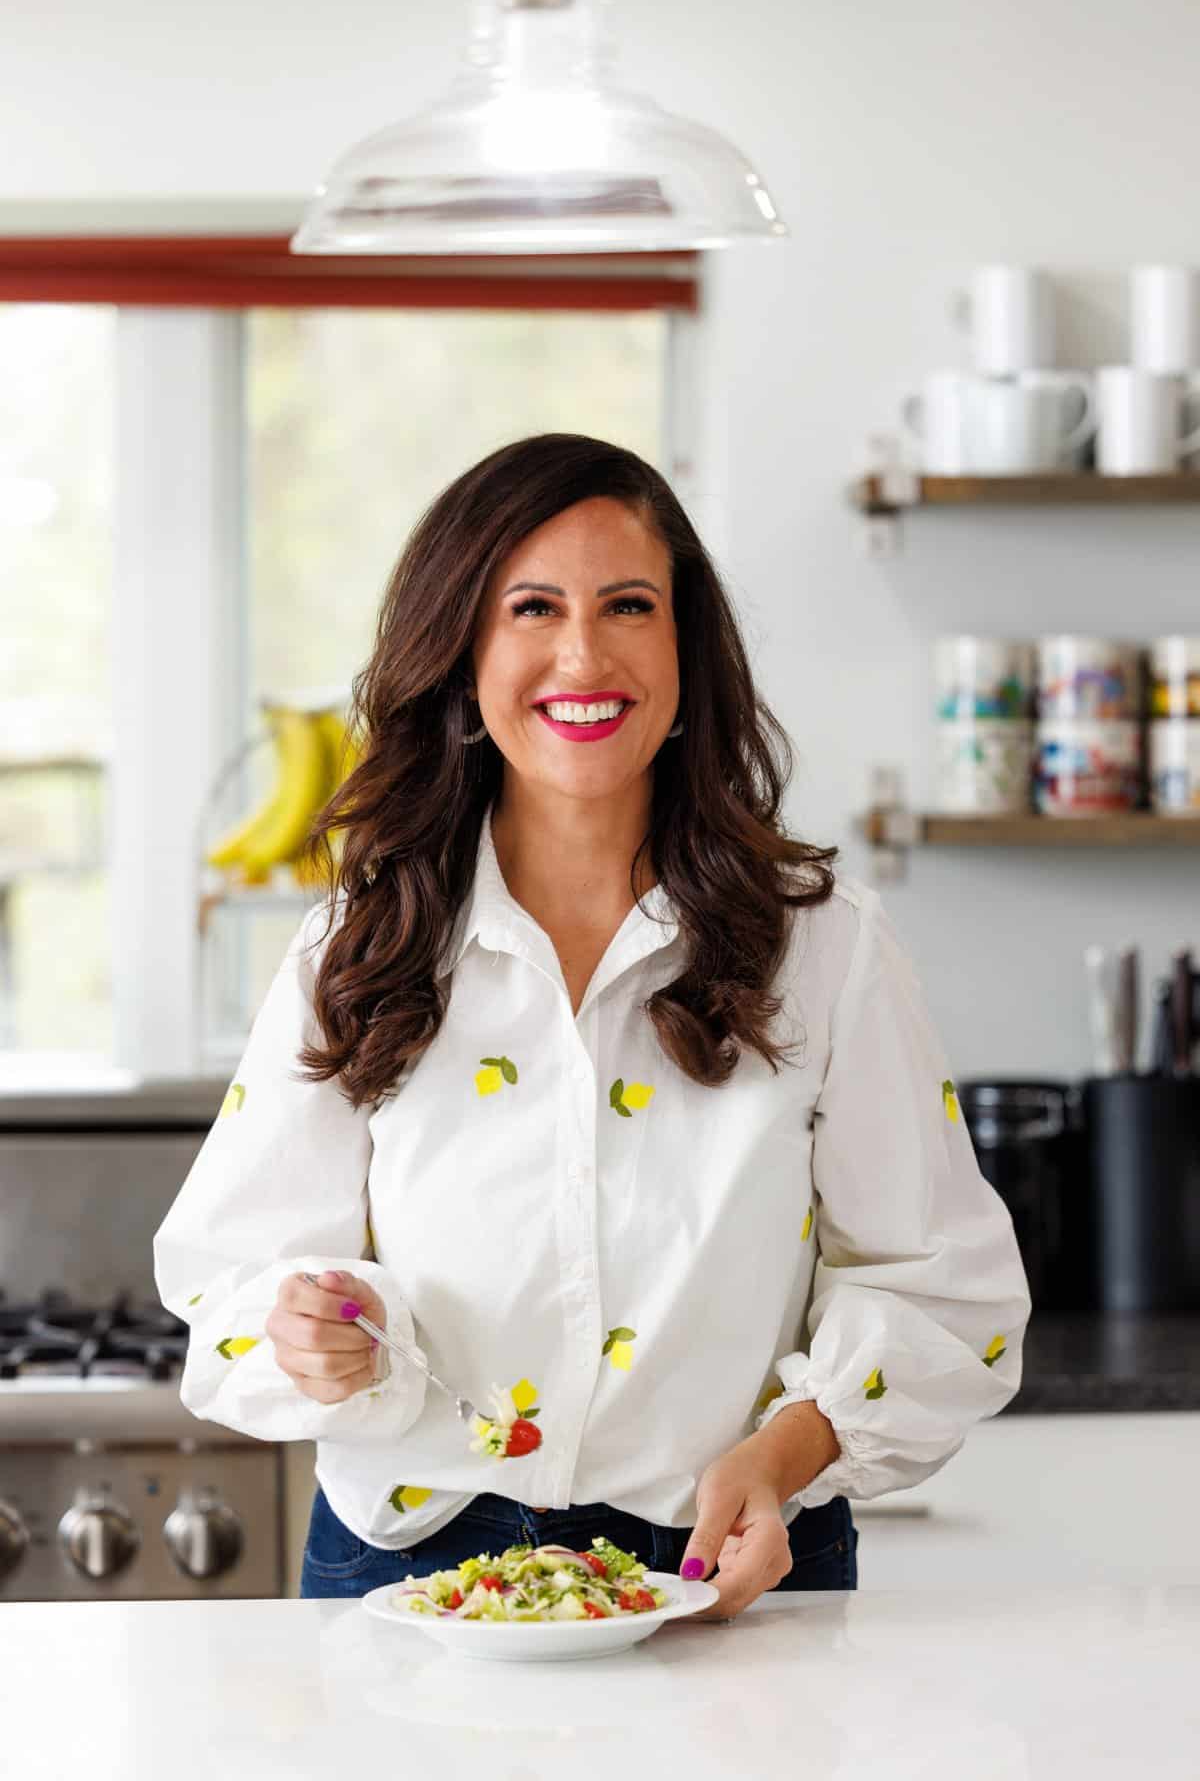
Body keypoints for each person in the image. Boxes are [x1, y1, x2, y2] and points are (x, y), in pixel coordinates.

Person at [154, 432, 1031, 1617]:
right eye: (531, 606)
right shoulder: (356, 946)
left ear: (684, 655)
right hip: (411, 1557)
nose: (583, 652)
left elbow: (945, 1289)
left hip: (733, 1550)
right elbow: (230, 1279)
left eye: (628, 604)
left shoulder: (823, 944)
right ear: (462, 655)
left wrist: (783, 1456)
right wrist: (303, 1329)